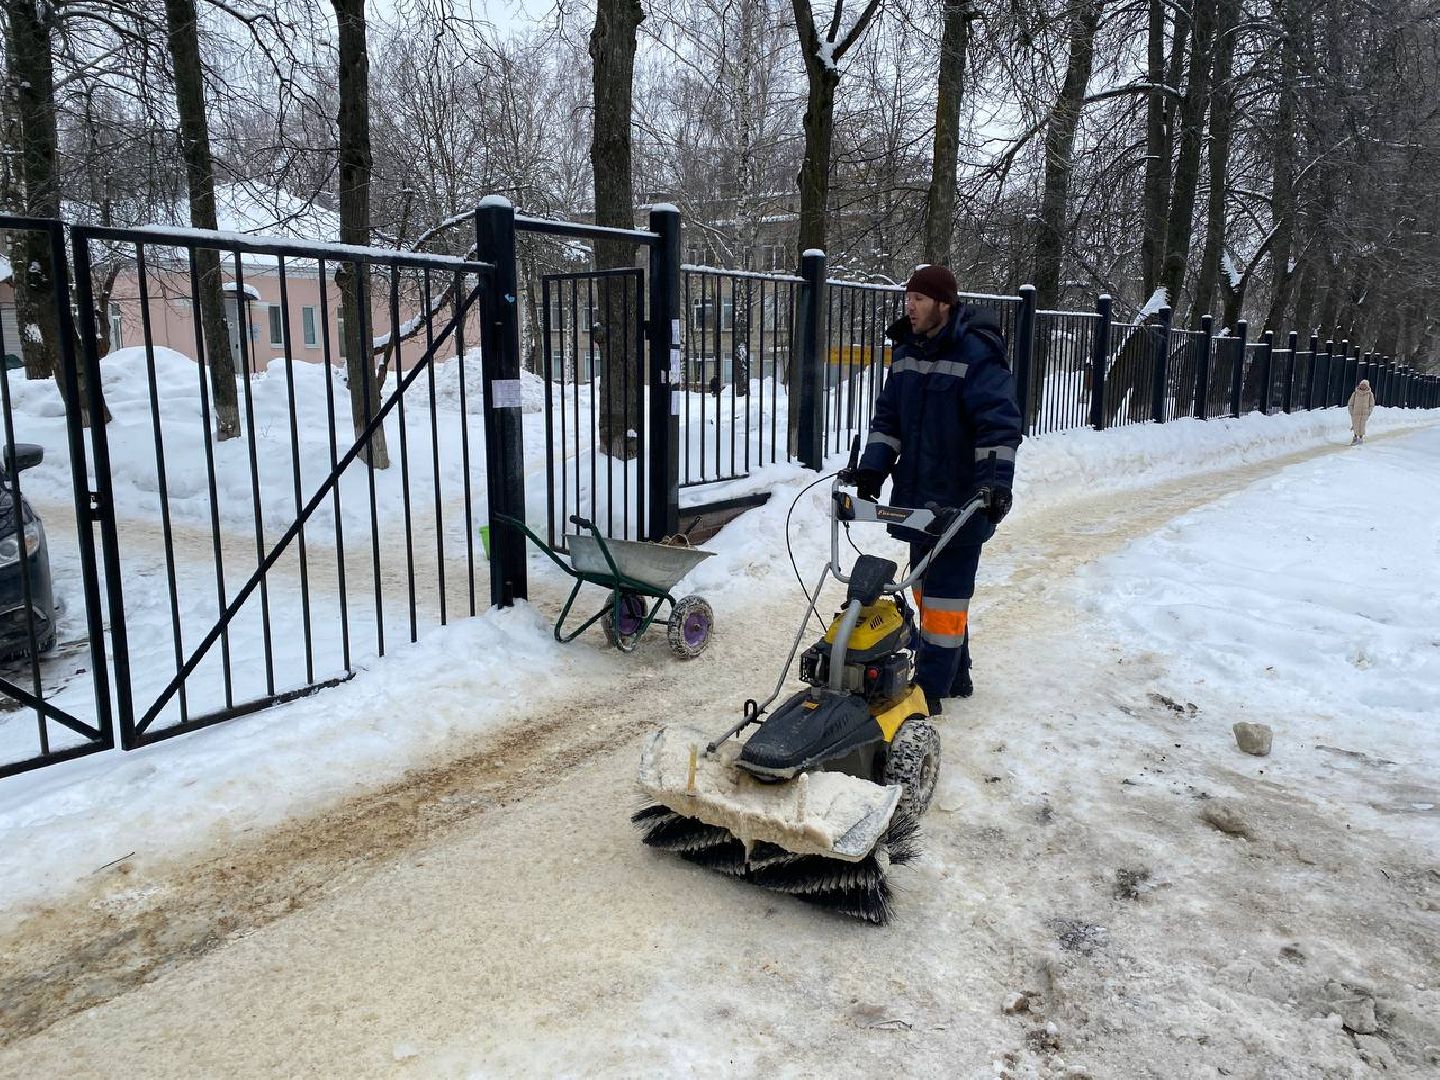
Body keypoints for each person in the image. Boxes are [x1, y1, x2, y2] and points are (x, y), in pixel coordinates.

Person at [850, 264, 1022, 714]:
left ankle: (927, 696)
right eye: (907, 297)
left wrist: (994, 487)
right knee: (929, 592)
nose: (909, 306)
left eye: (919, 299)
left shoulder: (977, 352)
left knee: (944, 602)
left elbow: (998, 427)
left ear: (943, 304)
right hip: (918, 499)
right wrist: (872, 471)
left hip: (964, 499)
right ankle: (956, 675)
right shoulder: (907, 352)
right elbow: (890, 421)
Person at [1347, 378, 1375, 445]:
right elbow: (1351, 403)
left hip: (1364, 413)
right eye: (1361, 384)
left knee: (1362, 426)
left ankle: (1361, 439)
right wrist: (1351, 411)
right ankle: (1355, 438)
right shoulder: (1355, 393)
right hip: (1356, 412)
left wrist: (1369, 412)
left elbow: (1371, 404)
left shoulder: (1370, 394)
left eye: (1364, 385)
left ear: (1367, 386)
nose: (1362, 386)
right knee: (1355, 425)